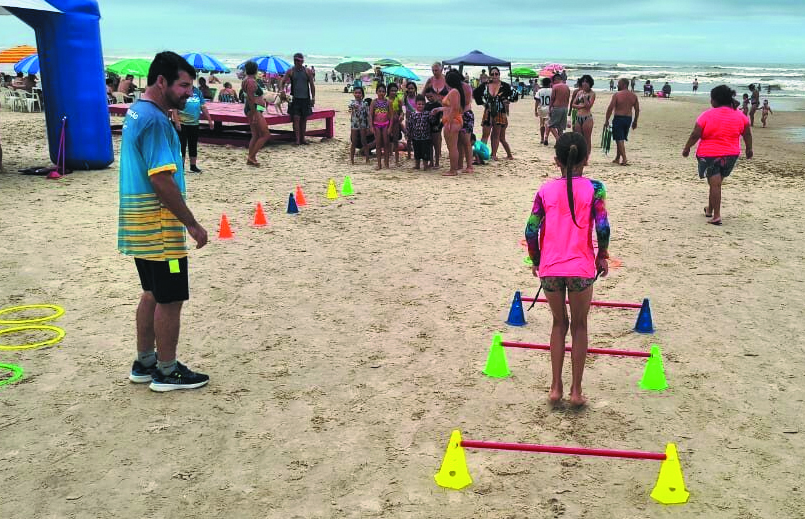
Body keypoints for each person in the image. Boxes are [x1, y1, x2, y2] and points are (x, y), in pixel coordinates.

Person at [119, 51, 209, 392]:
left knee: (151, 293)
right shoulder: (155, 121)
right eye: (184, 85)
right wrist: (192, 224)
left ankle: (145, 362)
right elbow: (161, 180)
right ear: (162, 82)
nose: (190, 92)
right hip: (159, 224)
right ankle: (167, 371)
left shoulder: (137, 112)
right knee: (170, 299)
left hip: (139, 222)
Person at [525, 132, 610, 407]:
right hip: (580, 267)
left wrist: (536, 259)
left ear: (556, 161)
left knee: (558, 324)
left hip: (551, 267)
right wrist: (602, 255)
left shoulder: (545, 190)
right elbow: (603, 227)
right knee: (580, 325)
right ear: (586, 158)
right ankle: (576, 391)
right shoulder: (595, 188)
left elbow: (530, 229)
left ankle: (555, 387)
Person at [682, 85, 753, 226]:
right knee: (715, 183)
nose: (710, 101)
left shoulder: (707, 115)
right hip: (731, 155)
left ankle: (716, 216)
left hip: (710, 154)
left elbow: (696, 134)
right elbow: (747, 134)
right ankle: (709, 209)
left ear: (716, 100)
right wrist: (749, 149)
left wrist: (687, 147)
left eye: (711, 98)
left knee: (715, 184)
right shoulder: (741, 116)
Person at [169, 81, 214, 173]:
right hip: (182, 123)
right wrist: (177, 122)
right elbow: (174, 108)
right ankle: (181, 166)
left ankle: (193, 165)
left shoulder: (197, 91)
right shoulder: (180, 90)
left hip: (194, 123)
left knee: (193, 144)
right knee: (182, 145)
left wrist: (209, 120)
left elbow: (203, 107)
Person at [473, 66, 514, 160]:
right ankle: (481, 154)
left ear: (499, 75)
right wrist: (483, 104)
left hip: (500, 112)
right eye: (492, 74)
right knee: (485, 134)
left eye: (496, 74)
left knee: (496, 134)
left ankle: (493, 154)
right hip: (488, 112)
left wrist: (507, 102)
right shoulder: (485, 85)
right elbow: (475, 93)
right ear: (490, 75)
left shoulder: (505, 85)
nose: (494, 76)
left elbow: (513, 96)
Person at [280, 52, 316, 145]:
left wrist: (313, 98)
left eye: (299, 61)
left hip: (305, 98)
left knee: (304, 119)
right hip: (294, 99)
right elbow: (282, 82)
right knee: (296, 119)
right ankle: (297, 140)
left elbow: (312, 85)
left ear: (302, 61)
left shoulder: (307, 71)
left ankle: (303, 139)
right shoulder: (290, 71)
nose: (297, 62)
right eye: (295, 60)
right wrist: (282, 91)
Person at [604, 78, 640, 166]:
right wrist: (635, 121)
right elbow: (637, 109)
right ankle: (617, 158)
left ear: (624, 84)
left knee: (619, 139)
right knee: (620, 138)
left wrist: (606, 120)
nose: (617, 85)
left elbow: (610, 108)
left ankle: (624, 159)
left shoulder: (617, 95)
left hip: (619, 118)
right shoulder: (633, 95)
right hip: (628, 119)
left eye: (619, 84)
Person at [241, 60, 270, 167]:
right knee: (265, 134)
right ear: (255, 69)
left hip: (254, 109)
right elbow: (251, 98)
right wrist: (254, 114)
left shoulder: (247, 80)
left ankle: (251, 158)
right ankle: (251, 156)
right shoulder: (251, 82)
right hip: (255, 109)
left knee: (256, 135)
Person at [571, 75, 596, 165]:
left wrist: (585, 97)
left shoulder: (592, 94)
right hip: (578, 116)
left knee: (587, 139)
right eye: (583, 81)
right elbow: (573, 104)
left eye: (587, 82)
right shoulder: (579, 92)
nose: (584, 83)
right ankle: (580, 157)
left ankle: (586, 158)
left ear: (590, 84)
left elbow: (589, 106)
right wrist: (580, 106)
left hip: (587, 118)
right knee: (579, 138)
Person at [368, 83, 391, 170]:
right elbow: (370, 115)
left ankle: (386, 163)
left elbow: (391, 115)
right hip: (377, 125)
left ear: (385, 92)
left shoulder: (388, 102)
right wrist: (371, 126)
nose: (381, 93)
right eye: (379, 91)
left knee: (386, 143)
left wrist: (390, 127)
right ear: (376, 92)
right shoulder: (374, 102)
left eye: (383, 91)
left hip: (385, 125)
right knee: (378, 144)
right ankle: (379, 164)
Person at [408, 94, 433, 170]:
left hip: (425, 137)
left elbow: (432, 121)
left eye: (422, 104)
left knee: (425, 152)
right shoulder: (413, 115)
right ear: (415, 105)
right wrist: (409, 134)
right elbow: (410, 124)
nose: (421, 106)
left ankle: (425, 166)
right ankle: (417, 165)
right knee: (417, 152)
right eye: (419, 104)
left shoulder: (427, 113)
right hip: (416, 137)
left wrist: (433, 115)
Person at [349, 86, 370, 164]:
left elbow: (368, 115)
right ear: (353, 94)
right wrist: (354, 106)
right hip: (354, 124)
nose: (357, 94)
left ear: (362, 94)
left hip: (363, 124)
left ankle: (367, 159)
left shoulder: (365, 103)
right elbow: (350, 106)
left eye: (359, 93)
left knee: (364, 141)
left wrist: (368, 126)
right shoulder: (352, 102)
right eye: (356, 93)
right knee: (354, 141)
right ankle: (352, 160)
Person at [547, 73, 570, 144]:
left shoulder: (555, 87)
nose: (553, 83)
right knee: (560, 127)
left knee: (550, 125)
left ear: (556, 79)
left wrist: (550, 109)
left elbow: (552, 99)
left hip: (557, 108)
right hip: (565, 108)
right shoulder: (567, 87)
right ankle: (559, 144)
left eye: (553, 81)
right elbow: (567, 99)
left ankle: (558, 139)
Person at [423, 87, 443, 168]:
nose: (429, 98)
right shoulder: (426, 105)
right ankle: (431, 162)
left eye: (431, 96)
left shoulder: (438, 105)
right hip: (428, 128)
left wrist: (439, 126)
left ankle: (437, 162)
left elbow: (443, 117)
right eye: (427, 97)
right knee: (430, 146)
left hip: (436, 128)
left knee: (436, 145)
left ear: (435, 95)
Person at [534, 77, 553, 146]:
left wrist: (535, 110)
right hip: (550, 108)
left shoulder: (539, 91)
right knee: (548, 124)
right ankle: (546, 137)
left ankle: (542, 138)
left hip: (541, 108)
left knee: (542, 124)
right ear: (549, 83)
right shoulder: (552, 90)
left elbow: (537, 101)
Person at [388, 83, 403, 166]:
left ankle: (397, 160)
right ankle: (388, 157)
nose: (393, 92)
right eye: (392, 90)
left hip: (396, 122)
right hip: (387, 122)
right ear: (389, 91)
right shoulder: (385, 99)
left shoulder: (399, 100)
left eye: (395, 90)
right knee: (387, 141)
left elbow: (401, 111)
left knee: (395, 141)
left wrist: (401, 116)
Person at [403, 82, 418, 160]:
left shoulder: (417, 98)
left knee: (416, 138)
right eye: (409, 88)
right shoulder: (406, 98)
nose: (410, 90)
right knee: (409, 138)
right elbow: (403, 106)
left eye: (412, 88)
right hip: (408, 120)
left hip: (417, 121)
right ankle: (409, 155)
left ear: (415, 89)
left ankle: (416, 154)